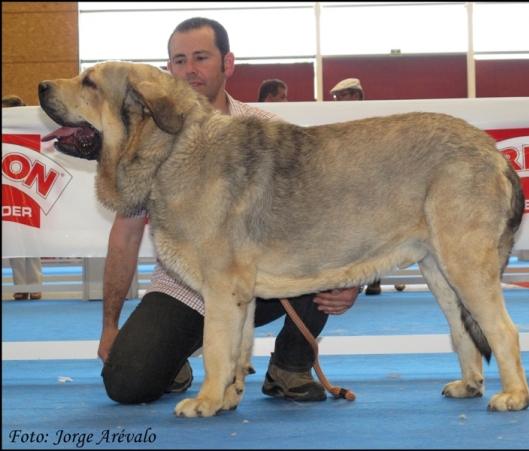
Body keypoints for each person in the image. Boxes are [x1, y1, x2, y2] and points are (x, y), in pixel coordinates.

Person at [99, 17, 360, 406]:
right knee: (126, 384)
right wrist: (110, 325)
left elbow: (325, 207)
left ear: (228, 63)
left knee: (317, 261)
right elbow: (126, 234)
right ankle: (176, 356)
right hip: (185, 289)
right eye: (179, 60)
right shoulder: (149, 140)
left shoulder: (267, 128)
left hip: (262, 282)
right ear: (168, 69)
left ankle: (290, 365)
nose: (190, 69)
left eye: (201, 57)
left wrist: (352, 276)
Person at [329, 80, 405, 295]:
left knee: (376, 232)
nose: (337, 100)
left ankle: (375, 278)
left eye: (341, 96)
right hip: (346, 183)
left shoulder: (373, 118)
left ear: (354, 95)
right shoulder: (335, 119)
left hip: (370, 184)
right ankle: (348, 281)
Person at [3, 95, 43, 301]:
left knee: (31, 241)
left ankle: (35, 284)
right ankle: (20, 285)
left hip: (31, 190)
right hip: (9, 190)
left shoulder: (31, 129)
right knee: (13, 241)